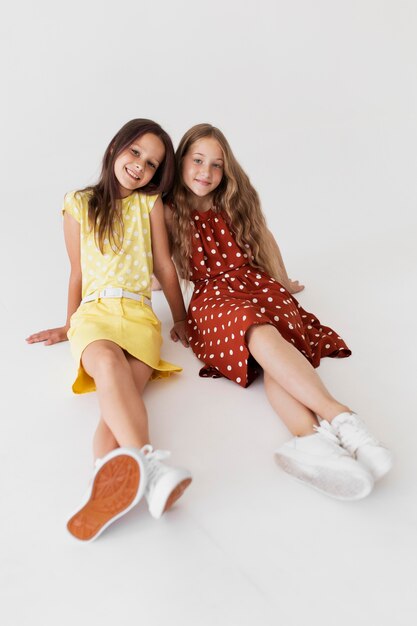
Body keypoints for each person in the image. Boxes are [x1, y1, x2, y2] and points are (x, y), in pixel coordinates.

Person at [165, 122, 392, 501]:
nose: (206, 172)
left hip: (255, 283)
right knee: (255, 329)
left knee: (278, 350)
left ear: (226, 170)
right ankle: (343, 419)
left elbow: (264, 237)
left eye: (216, 165)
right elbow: (163, 265)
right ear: (182, 160)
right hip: (212, 299)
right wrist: (178, 317)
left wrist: (282, 282)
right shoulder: (169, 210)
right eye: (198, 160)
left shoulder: (232, 200)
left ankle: (310, 442)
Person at [26, 119, 192, 542]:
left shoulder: (148, 205)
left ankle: (102, 486)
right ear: (117, 146)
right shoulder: (78, 203)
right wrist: (68, 324)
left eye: (152, 164)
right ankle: (150, 470)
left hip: (139, 316)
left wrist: (182, 318)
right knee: (104, 363)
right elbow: (76, 272)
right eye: (135, 152)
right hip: (96, 314)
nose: (140, 166)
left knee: (118, 402)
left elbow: (163, 267)